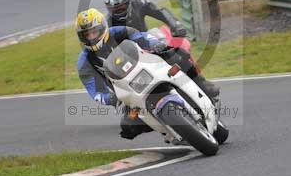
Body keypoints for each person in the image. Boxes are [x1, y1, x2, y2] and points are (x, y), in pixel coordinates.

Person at [76, 8, 219, 140]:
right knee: (128, 127)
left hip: (147, 67)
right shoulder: (84, 62)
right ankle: (168, 130)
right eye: (86, 35)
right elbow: (95, 91)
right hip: (126, 93)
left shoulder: (119, 32)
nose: (91, 37)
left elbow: (141, 36)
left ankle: (202, 84)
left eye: (94, 31)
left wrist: (154, 44)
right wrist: (111, 98)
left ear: (102, 27)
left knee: (178, 54)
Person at [103, 0, 187, 37]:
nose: (119, 10)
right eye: (115, 8)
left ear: (128, 2)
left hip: (149, 44)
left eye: (122, 6)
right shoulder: (106, 23)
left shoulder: (139, 4)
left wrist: (175, 25)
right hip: (125, 57)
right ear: (108, 8)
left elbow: (161, 11)